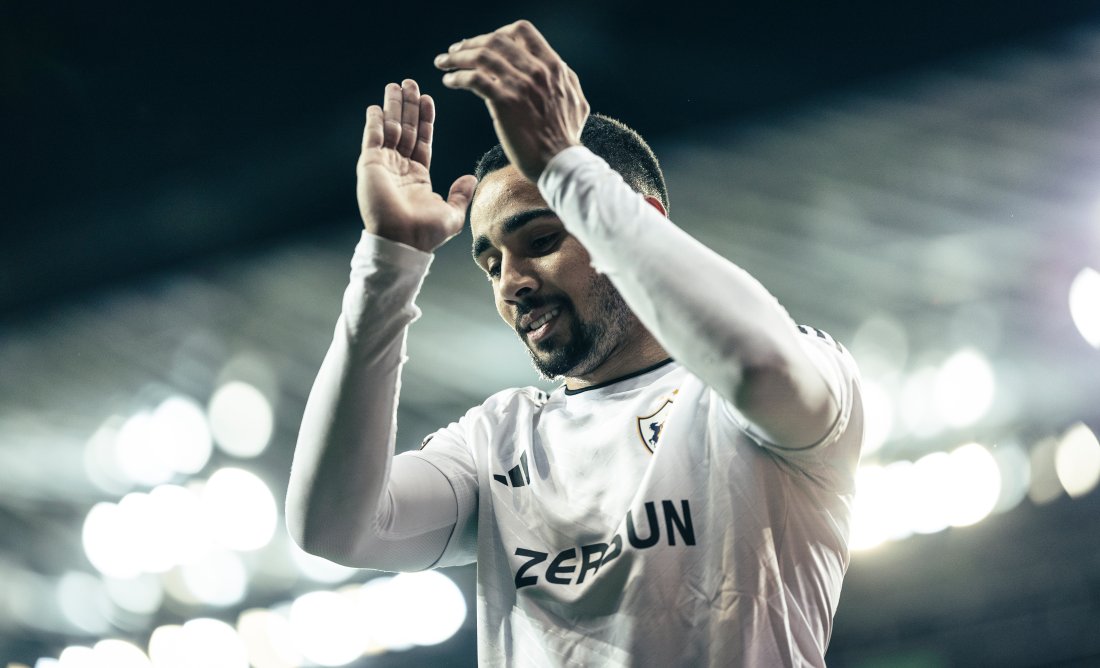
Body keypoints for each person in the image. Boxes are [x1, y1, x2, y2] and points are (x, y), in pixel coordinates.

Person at [286, 19, 864, 668]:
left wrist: (565, 166)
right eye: (491, 263)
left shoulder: (777, 386)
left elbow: (758, 368)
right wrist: (388, 265)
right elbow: (335, 527)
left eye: (539, 242)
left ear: (634, 221)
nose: (513, 283)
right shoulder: (498, 438)